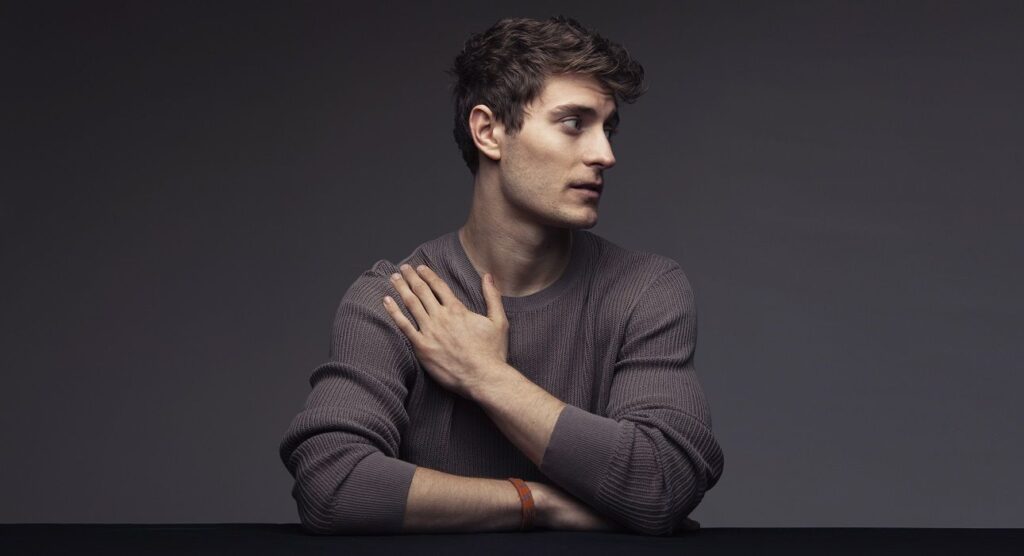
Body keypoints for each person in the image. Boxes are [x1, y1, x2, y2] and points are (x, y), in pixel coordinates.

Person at [278, 15, 724, 536]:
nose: (605, 154)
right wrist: (536, 502)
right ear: (488, 132)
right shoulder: (397, 300)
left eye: (609, 128)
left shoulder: (644, 290)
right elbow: (331, 485)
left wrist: (487, 376)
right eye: (573, 123)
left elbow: (662, 483)